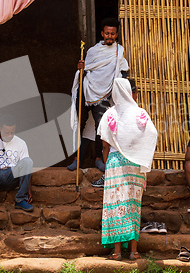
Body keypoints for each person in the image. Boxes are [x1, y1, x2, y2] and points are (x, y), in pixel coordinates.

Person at [98, 78, 157, 260]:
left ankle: (116, 252)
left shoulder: (110, 114)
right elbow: (152, 135)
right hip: (135, 164)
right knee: (133, 205)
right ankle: (134, 251)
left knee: (116, 205)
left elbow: (105, 146)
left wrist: (108, 166)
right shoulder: (140, 113)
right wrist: (140, 157)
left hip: (115, 163)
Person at [69, 17, 129, 173]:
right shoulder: (92, 51)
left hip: (105, 94)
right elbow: (85, 71)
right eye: (107, 33)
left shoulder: (119, 51)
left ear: (116, 35)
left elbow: (122, 72)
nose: (109, 36)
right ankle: (77, 159)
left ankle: (98, 158)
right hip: (87, 90)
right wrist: (80, 68)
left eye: (112, 34)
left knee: (101, 127)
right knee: (79, 124)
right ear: (102, 33)